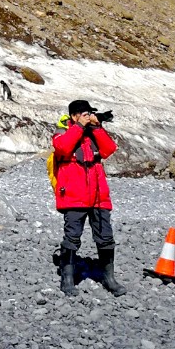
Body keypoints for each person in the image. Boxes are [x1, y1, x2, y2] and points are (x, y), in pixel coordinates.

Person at [50, 100, 124, 296]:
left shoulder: (93, 133)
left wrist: (97, 127)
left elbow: (109, 149)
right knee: (72, 238)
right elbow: (64, 149)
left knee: (106, 238)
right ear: (74, 116)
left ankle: (109, 278)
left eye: (89, 113)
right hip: (74, 196)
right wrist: (79, 127)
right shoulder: (62, 133)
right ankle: (67, 280)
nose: (88, 116)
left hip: (99, 196)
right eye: (84, 113)